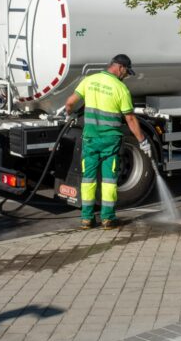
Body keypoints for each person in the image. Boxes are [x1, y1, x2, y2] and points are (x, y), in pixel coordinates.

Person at [64, 54, 151, 230]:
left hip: (90, 139)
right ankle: (108, 219)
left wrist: (70, 113)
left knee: (88, 178)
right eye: (126, 72)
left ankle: (87, 219)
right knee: (109, 180)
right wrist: (142, 141)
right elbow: (131, 119)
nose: (126, 76)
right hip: (110, 141)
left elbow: (70, 102)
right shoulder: (120, 89)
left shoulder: (90, 80)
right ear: (120, 68)